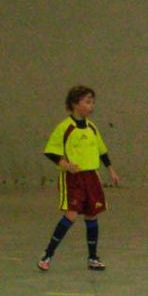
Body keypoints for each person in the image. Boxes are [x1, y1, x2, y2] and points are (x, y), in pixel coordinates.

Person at [37, 86, 122, 272]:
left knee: (92, 215)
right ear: (75, 104)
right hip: (73, 178)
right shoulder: (65, 127)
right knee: (71, 215)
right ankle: (47, 254)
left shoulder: (92, 127)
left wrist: (111, 170)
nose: (91, 106)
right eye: (87, 102)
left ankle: (93, 257)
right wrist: (65, 164)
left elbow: (102, 150)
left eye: (93, 102)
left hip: (92, 177)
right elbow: (50, 151)